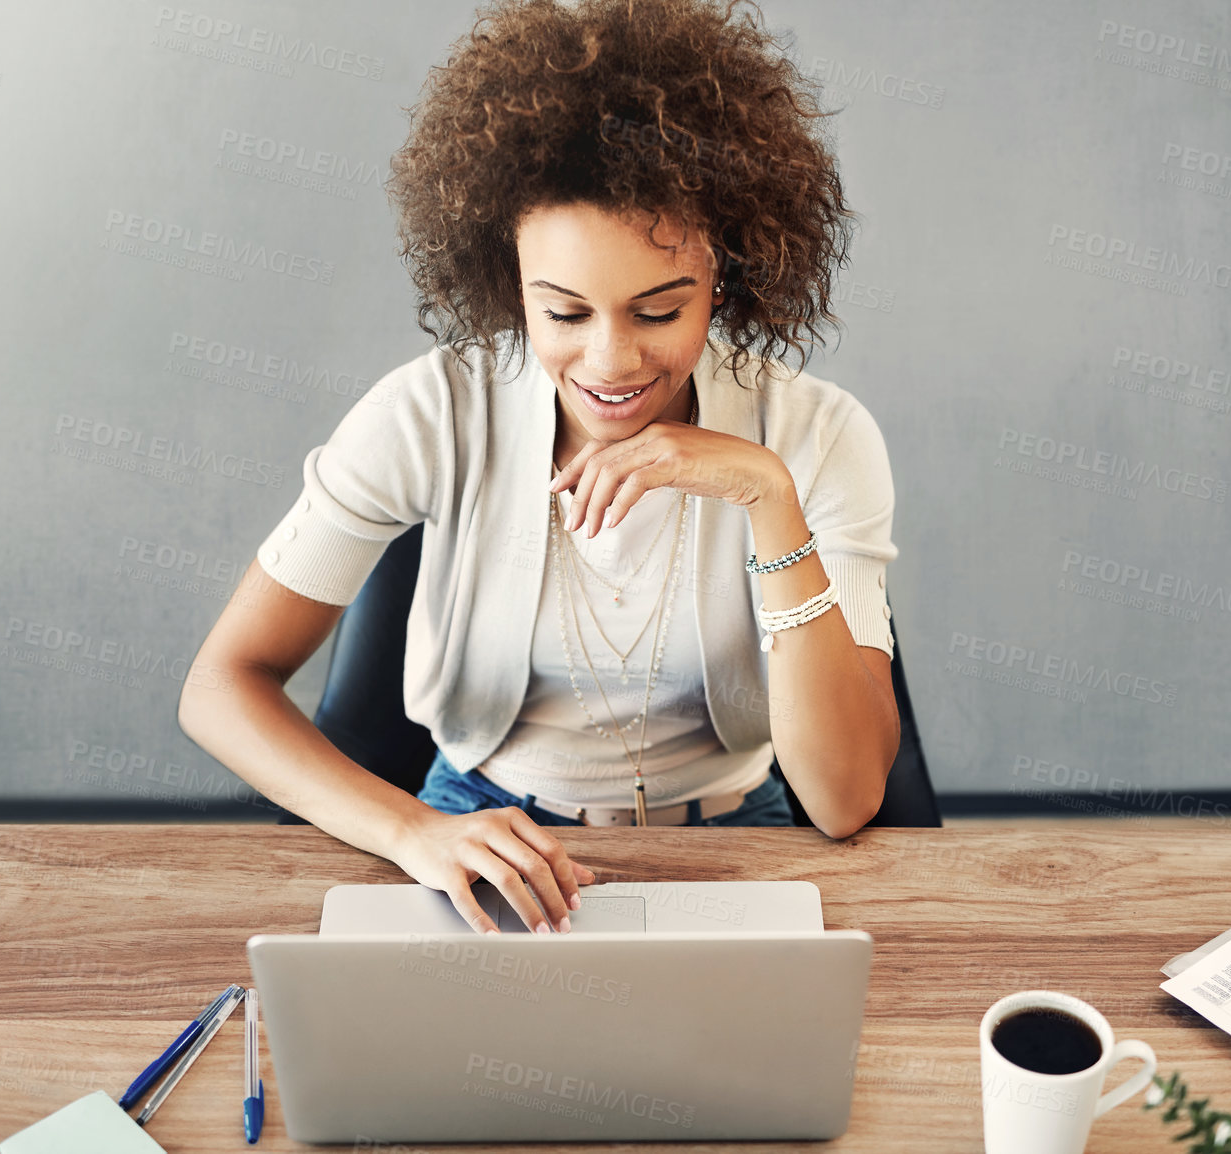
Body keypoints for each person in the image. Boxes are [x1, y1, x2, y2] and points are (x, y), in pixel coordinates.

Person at [179, 0, 900, 936]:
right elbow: (220, 685)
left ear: (726, 277)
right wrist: (413, 831)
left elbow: (844, 802)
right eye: (564, 314)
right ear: (504, 281)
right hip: (477, 833)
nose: (610, 363)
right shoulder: (430, 413)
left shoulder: (816, 433)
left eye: (657, 312)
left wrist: (768, 496)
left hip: (734, 838)